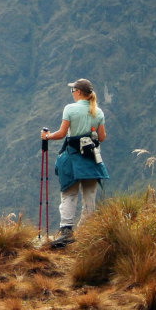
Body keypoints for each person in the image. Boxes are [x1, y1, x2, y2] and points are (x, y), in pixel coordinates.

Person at [40, 78, 108, 248]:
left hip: (72, 157)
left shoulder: (70, 109)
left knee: (69, 194)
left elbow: (62, 133)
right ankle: (86, 233)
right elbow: (101, 137)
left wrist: (47, 136)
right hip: (91, 158)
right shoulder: (98, 112)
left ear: (78, 92)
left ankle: (66, 233)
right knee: (89, 198)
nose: (72, 93)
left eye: (73, 90)